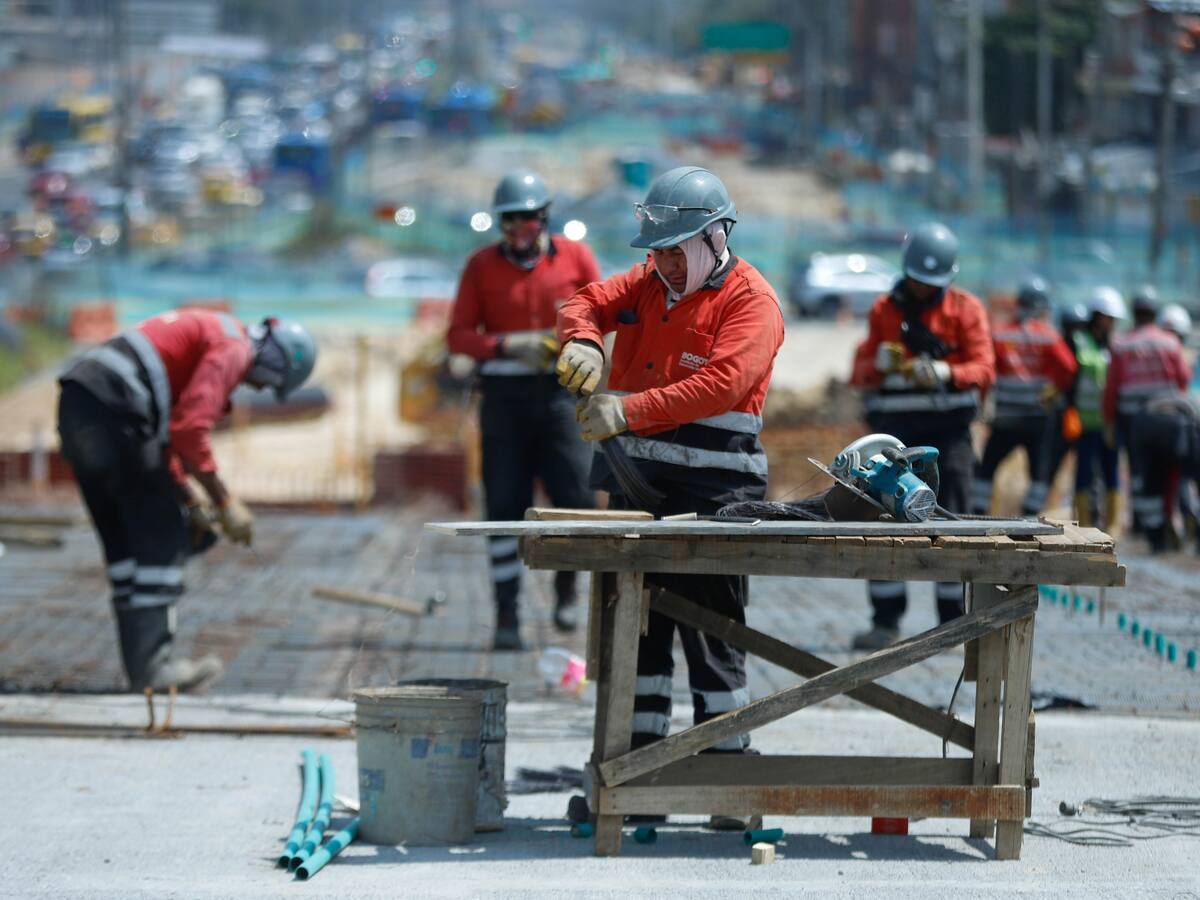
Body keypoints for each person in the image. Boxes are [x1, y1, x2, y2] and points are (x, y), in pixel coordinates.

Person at [556, 166, 784, 827]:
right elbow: (585, 301)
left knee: (712, 631)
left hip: (717, 491)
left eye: (674, 250)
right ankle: (640, 771)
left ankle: (727, 775)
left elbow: (721, 384)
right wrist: (584, 342)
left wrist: (626, 413)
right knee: (637, 628)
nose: (662, 265)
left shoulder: (752, 302)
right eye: (655, 251)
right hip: (635, 485)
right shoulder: (650, 282)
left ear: (716, 238)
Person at [57, 309, 316, 691]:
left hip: (82, 403)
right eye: (269, 383)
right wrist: (225, 502)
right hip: (117, 407)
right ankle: (154, 669)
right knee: (162, 536)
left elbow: (164, 441)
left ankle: (142, 670)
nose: (259, 389)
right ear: (277, 361)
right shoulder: (234, 347)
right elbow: (190, 430)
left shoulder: (214, 333)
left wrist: (191, 502)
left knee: (126, 542)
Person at [447, 169, 602, 650]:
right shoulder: (480, 267)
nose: (519, 230)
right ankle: (507, 614)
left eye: (528, 220)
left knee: (574, 495)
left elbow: (601, 309)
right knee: (504, 502)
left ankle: (566, 593)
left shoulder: (575, 257)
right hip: (505, 403)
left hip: (560, 397)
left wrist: (584, 345)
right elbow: (458, 336)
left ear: (544, 219)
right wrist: (505, 346)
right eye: (509, 221)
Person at [849, 222, 995, 650]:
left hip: (949, 438)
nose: (919, 288)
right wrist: (876, 364)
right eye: (915, 279)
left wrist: (950, 371)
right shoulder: (884, 310)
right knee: (881, 520)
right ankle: (885, 621)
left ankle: (952, 623)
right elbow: (859, 374)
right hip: (893, 436)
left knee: (951, 525)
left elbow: (985, 368)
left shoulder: (965, 310)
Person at [973, 277, 1077, 517]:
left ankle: (977, 512)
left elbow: (986, 370)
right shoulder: (1048, 336)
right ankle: (1029, 518)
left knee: (987, 468)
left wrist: (982, 404)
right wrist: (1055, 389)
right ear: (1041, 307)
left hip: (1005, 416)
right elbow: (1069, 368)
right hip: (1037, 418)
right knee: (1039, 473)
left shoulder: (999, 334)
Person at [1104, 284, 1190, 535]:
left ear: (1134, 311)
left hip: (1134, 422)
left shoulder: (1120, 345)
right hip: (1169, 417)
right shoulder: (1171, 342)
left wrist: (1109, 421)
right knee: (1168, 471)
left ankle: (1146, 525)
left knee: (1139, 473)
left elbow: (1112, 389)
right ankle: (1169, 519)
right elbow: (1183, 378)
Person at [1128, 303, 1197, 551]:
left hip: (1142, 421)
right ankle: (1188, 528)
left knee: (1150, 483)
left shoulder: (1131, 343)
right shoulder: (1175, 349)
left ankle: (1157, 540)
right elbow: (1185, 381)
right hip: (1178, 422)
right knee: (1184, 479)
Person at [1071, 287, 1126, 529]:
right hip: (1085, 422)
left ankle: (1112, 528)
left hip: (1108, 422)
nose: (1112, 323)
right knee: (1084, 473)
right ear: (1097, 316)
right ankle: (1084, 524)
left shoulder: (1112, 345)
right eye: (1108, 318)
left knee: (1111, 472)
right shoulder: (1081, 342)